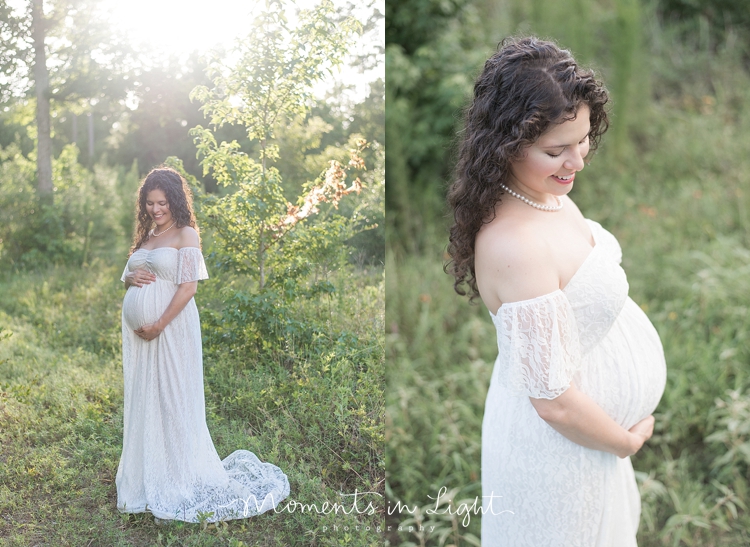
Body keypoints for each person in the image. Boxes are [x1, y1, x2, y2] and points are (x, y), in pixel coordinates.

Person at [446, 37, 667, 545]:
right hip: (557, 456)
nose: (578, 161)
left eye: (584, 139)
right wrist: (624, 442)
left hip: (585, 444)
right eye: (556, 150)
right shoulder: (513, 245)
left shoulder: (544, 195)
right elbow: (555, 403)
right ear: (506, 145)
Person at [116, 167, 289, 523]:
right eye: (149, 203)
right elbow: (131, 274)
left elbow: (188, 287)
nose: (155, 209)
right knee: (147, 399)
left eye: (162, 202)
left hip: (171, 328)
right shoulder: (148, 235)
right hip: (143, 335)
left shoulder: (186, 234)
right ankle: (150, 475)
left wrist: (160, 324)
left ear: (175, 201)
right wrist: (128, 276)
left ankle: (177, 477)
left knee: (173, 398)